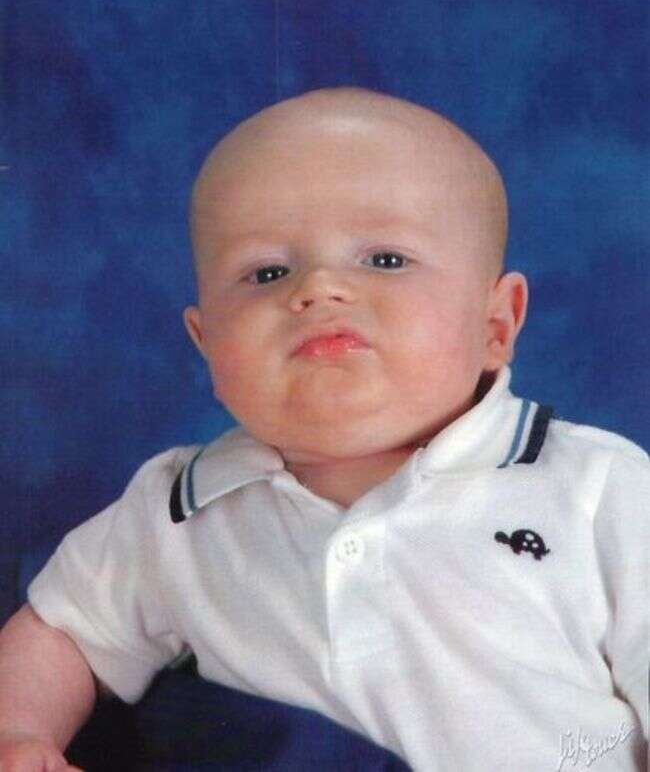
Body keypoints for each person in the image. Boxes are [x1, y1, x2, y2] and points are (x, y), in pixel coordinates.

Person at [0, 88, 646, 771]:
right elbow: (63, 631)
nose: (317, 289)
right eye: (267, 272)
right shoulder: (175, 513)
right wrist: (19, 731)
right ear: (207, 343)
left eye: (385, 260)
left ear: (495, 324)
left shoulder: (596, 489)